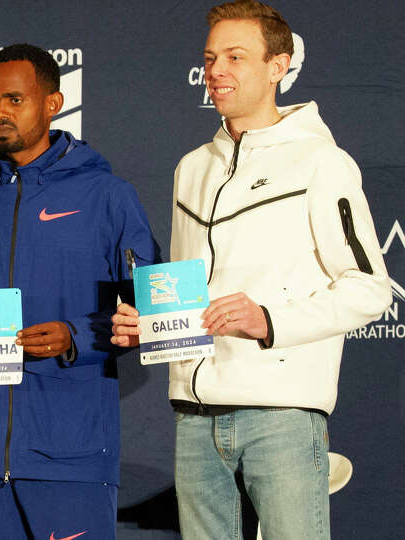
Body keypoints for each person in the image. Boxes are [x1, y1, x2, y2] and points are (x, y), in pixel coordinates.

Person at [111, 2, 392, 538]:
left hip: (281, 416)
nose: (217, 70)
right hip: (194, 418)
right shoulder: (192, 167)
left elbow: (370, 289)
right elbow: (188, 290)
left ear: (278, 67)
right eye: (211, 57)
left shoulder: (320, 162)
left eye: (236, 57)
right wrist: (150, 325)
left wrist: (267, 320)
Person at [0, 43, 157, 539]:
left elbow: (153, 316)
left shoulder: (109, 196)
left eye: (13, 99)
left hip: (70, 451)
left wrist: (76, 338)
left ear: (53, 103)